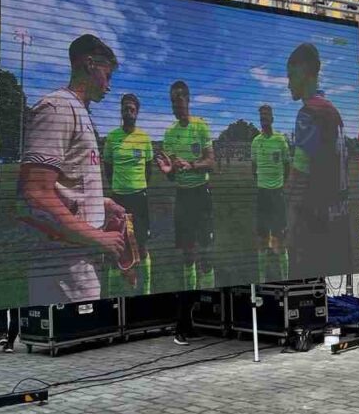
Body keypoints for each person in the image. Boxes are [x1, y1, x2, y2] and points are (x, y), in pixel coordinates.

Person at [18, 34, 130, 304]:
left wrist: (100, 202)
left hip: (79, 257)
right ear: (90, 64)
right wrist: (97, 237)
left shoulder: (79, 111)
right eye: (108, 75)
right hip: (63, 263)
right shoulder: (57, 109)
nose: (109, 86)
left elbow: (68, 184)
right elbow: (35, 193)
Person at [284, 43, 352, 281]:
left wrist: (289, 223)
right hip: (338, 217)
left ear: (304, 73)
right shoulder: (333, 111)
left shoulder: (309, 113)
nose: (288, 84)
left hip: (314, 221)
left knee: (301, 285)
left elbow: (299, 175)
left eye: (291, 76)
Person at [157, 80, 216, 293]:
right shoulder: (169, 133)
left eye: (179, 100)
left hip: (201, 193)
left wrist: (191, 165)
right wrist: (168, 171)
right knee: (188, 253)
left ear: (188, 100)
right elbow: (173, 175)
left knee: (206, 251)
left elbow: (211, 162)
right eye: (172, 101)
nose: (175, 105)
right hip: (183, 197)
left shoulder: (200, 126)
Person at [102, 93, 153, 294]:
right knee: (116, 248)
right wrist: (119, 187)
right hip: (118, 199)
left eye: (132, 109)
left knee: (142, 245)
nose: (129, 112)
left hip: (139, 199)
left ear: (137, 112)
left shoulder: (144, 138)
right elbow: (108, 168)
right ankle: (113, 293)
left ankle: (146, 290)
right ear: (121, 111)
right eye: (125, 108)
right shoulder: (112, 137)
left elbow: (148, 170)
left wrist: (137, 186)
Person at [251, 104, 291, 282]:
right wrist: (263, 184)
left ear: (272, 119)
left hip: (277, 195)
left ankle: (285, 278)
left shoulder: (280, 140)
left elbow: (287, 166)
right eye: (262, 117)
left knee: (279, 240)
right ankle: (261, 279)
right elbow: (253, 168)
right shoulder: (255, 142)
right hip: (262, 195)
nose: (264, 119)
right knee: (262, 239)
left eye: (267, 116)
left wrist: (279, 184)